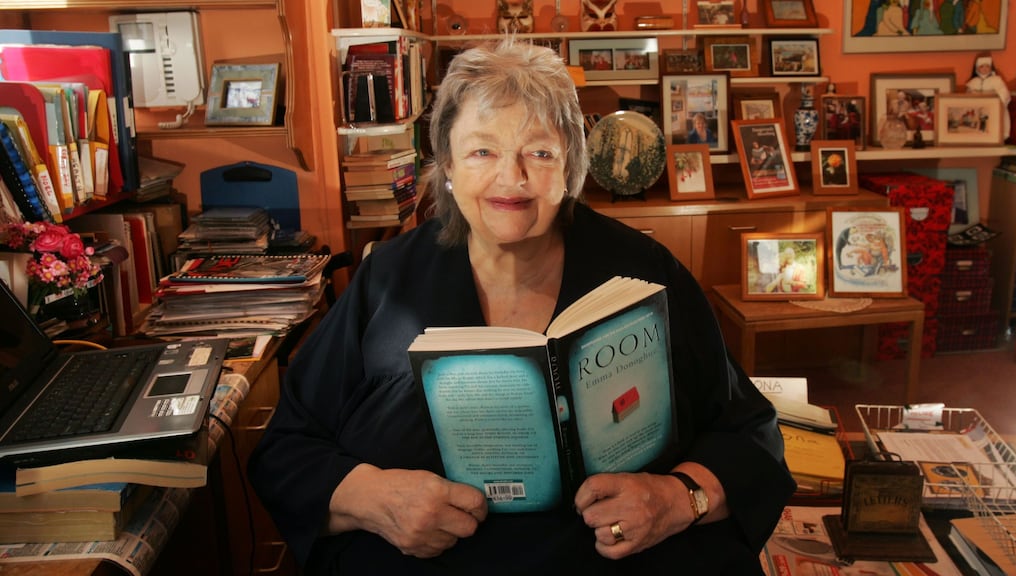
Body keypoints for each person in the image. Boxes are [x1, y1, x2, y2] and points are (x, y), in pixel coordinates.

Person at [248, 39, 795, 575]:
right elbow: (287, 449)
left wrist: (676, 500)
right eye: (483, 151)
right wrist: (372, 497)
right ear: (447, 164)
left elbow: (751, 435)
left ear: (572, 165)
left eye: (539, 152)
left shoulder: (644, 271)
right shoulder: (387, 278)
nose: (512, 179)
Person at [965, 54, 1010, 140]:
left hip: (993, 109)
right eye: (982, 66)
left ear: (991, 68)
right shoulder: (973, 82)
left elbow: (1005, 94)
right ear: (977, 68)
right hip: (978, 108)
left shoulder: (997, 80)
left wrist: (994, 95)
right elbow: (967, 96)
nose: (985, 69)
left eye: (987, 66)